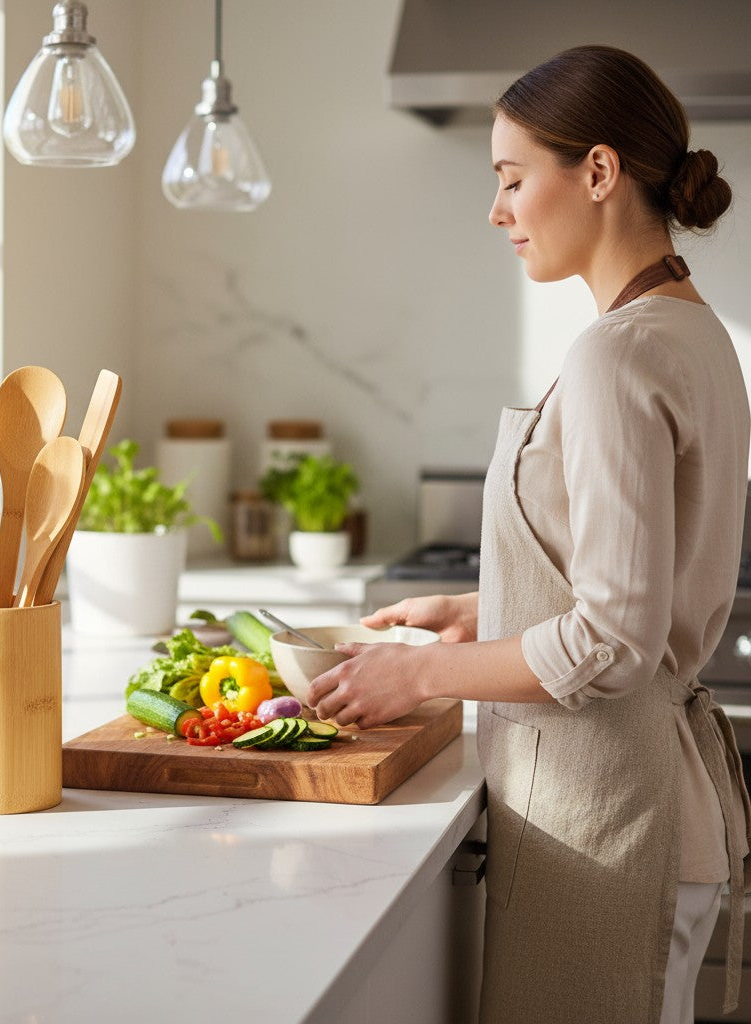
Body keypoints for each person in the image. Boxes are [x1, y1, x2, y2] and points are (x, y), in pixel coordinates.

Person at [307, 44, 751, 1024]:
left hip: (610, 825)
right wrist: (480, 609)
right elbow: (640, 585)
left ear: (596, 172)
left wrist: (414, 675)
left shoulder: (616, 356)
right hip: (653, 817)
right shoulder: (695, 331)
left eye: (512, 178)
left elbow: (612, 639)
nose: (497, 210)